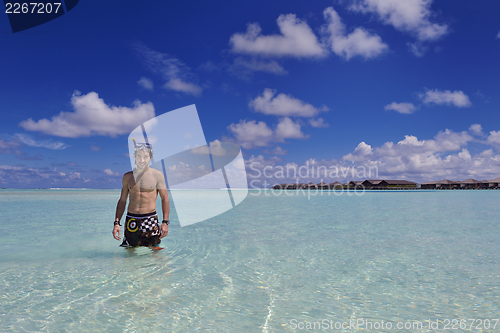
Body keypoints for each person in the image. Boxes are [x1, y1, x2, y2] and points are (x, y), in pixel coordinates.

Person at [112, 139, 170, 248]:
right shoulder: (127, 177)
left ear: (150, 158)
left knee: (155, 252)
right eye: (139, 156)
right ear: (134, 157)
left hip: (150, 220)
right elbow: (122, 201)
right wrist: (116, 223)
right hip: (131, 220)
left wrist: (165, 222)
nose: (142, 160)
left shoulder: (157, 175)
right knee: (130, 254)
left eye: (145, 157)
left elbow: (164, 199)